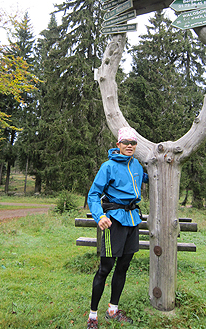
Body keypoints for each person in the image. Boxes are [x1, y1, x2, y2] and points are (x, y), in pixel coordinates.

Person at [86, 127, 148, 329]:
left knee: (123, 267)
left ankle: (113, 310)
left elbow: (149, 177)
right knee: (106, 268)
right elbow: (93, 194)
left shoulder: (137, 165)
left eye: (133, 142)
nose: (130, 145)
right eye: (126, 142)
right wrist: (100, 216)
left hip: (133, 220)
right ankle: (93, 316)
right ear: (118, 145)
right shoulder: (108, 167)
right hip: (114, 221)